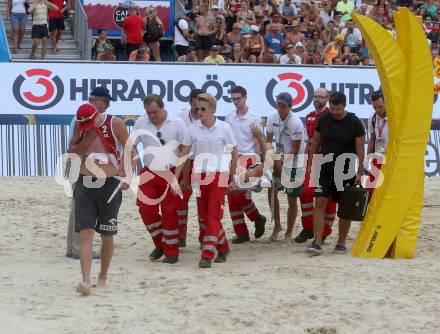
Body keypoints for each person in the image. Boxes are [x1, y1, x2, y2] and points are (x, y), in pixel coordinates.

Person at [68, 87, 132, 296]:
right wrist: (85, 138)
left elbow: (130, 148)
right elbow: (71, 150)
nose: (103, 104)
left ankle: (102, 277)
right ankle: (86, 280)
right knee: (86, 232)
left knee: (106, 233)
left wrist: (127, 174)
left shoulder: (116, 123)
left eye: (105, 102)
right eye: (101, 100)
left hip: (109, 182)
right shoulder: (81, 123)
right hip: (86, 181)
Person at [176, 93, 238, 268]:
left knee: (212, 215)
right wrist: (176, 177)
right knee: (204, 217)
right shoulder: (193, 129)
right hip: (199, 176)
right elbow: (184, 153)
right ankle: (223, 247)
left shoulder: (224, 128)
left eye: (203, 109)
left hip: (219, 175)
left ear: (213, 110)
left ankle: (207, 253)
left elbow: (234, 152)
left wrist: (233, 177)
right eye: (197, 108)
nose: (199, 111)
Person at [307, 91, 365, 256]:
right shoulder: (324, 119)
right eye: (332, 108)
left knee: (345, 208)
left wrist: (360, 171)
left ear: (344, 106)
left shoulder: (354, 122)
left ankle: (341, 243)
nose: (334, 112)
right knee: (319, 203)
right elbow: (316, 141)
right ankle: (317, 242)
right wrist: (311, 163)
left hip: (346, 170)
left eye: (338, 109)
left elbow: (361, 150)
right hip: (325, 168)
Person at [134, 94, 188, 264]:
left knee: (169, 211)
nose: (152, 116)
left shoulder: (177, 123)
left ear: (163, 107)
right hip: (148, 171)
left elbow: (186, 147)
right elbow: (131, 145)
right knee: (145, 208)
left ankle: (172, 252)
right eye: (149, 112)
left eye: (155, 112)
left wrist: (177, 176)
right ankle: (160, 243)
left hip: (169, 171)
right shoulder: (141, 122)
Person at [225, 86, 267, 244]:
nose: (236, 102)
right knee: (231, 195)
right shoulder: (229, 117)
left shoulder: (254, 118)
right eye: (233, 99)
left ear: (245, 97)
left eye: (238, 98)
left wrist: (255, 163)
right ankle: (241, 232)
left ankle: (257, 218)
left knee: (238, 193)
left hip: (248, 158)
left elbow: (258, 141)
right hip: (232, 157)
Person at [295, 88, 336, 243]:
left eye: (320, 97)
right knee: (305, 193)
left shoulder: (331, 116)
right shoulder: (310, 117)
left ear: (327, 98)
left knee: (329, 198)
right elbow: (309, 141)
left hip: (328, 161)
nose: (316, 99)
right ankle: (308, 229)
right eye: (315, 96)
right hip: (313, 161)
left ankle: (324, 233)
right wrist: (305, 160)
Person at [265, 92, 306, 241]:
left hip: (294, 163)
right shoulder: (272, 117)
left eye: (283, 105)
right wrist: (273, 159)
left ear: (290, 106)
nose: (280, 108)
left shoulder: (296, 122)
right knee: (271, 192)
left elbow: (295, 149)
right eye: (278, 104)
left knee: (291, 197)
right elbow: (268, 140)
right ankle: (277, 226)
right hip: (279, 158)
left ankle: (289, 231)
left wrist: (281, 163)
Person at [175, 88, 204, 247]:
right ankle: (180, 235)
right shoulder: (179, 117)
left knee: (202, 201)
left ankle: (204, 237)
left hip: (202, 163)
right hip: (185, 160)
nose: (198, 108)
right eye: (195, 105)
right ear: (190, 102)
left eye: (201, 105)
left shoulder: (207, 118)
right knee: (181, 200)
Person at [366, 90, 388, 200]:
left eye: (380, 107)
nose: (377, 110)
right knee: (370, 191)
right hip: (378, 156)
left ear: (387, 102)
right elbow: (372, 139)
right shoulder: (373, 117)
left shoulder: (395, 118)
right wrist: (367, 158)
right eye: (375, 107)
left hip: (393, 158)